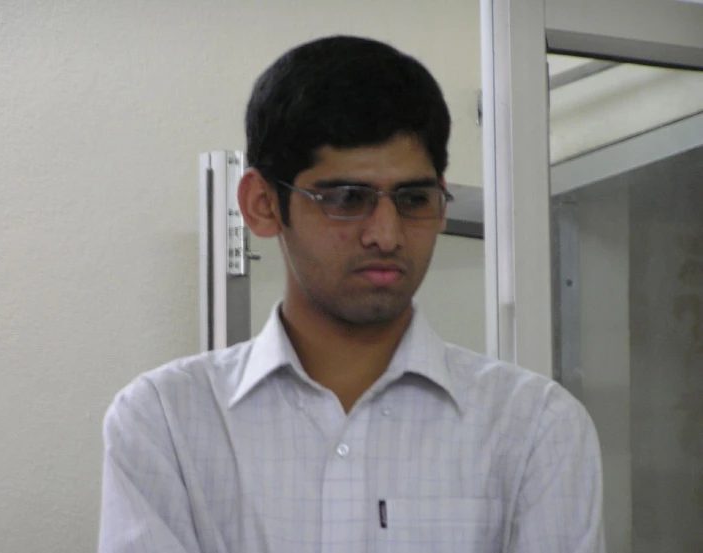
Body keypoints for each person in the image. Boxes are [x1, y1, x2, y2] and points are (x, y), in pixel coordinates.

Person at [98, 36, 605, 553]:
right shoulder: (167, 422)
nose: (386, 234)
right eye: (346, 198)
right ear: (262, 205)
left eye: (413, 198)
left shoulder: (535, 428)